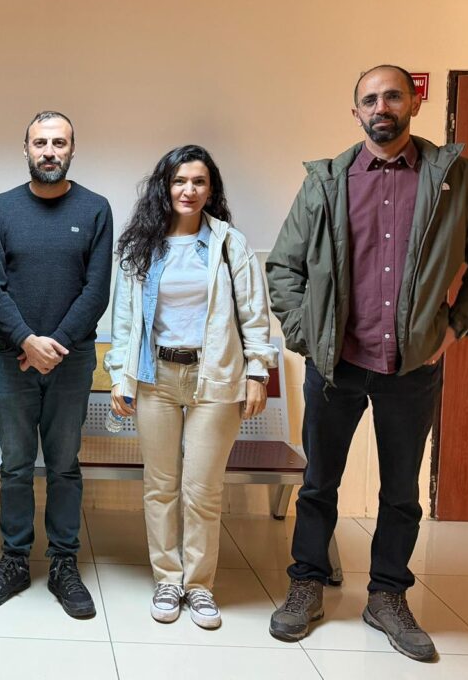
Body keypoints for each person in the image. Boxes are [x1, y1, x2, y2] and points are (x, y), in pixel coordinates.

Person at [266, 65, 468, 661]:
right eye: (369, 99)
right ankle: (306, 584)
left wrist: (453, 328)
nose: (381, 107)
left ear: (414, 102)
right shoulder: (327, 181)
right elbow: (283, 268)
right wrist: (309, 337)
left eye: (392, 96)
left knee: (401, 491)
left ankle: (387, 596)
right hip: (336, 364)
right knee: (318, 483)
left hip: (411, 366)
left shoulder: (455, 178)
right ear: (355, 111)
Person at [105, 144, 277, 628]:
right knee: (160, 486)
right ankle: (168, 579)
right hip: (155, 377)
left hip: (214, 377)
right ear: (164, 186)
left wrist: (258, 372)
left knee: (202, 489)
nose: (188, 190)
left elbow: (254, 314)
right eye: (179, 181)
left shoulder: (230, 244)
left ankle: (199, 586)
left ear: (211, 189)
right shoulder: (141, 246)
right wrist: (120, 374)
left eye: (199, 181)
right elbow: (124, 320)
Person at [0, 111, 112, 618]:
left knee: (64, 466)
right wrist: (26, 341)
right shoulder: (1, 208)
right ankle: (14, 559)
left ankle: (63, 563)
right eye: (40, 143)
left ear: (72, 149)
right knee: (15, 465)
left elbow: (96, 290)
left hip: (72, 361)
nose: (49, 151)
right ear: (26, 149)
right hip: (11, 358)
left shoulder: (96, 209)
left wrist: (53, 344)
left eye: (58, 143)